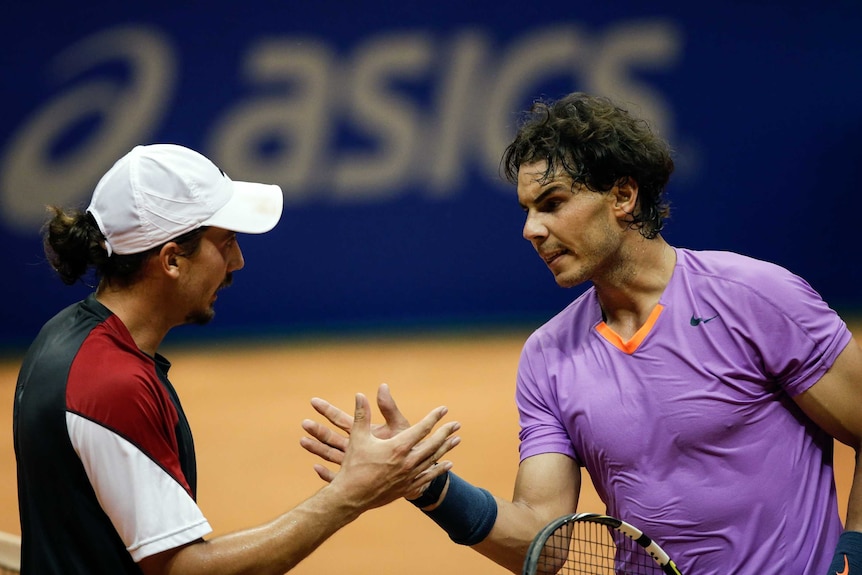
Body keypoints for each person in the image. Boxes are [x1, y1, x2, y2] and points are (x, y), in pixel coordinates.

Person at [299, 92, 862, 574]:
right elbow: (543, 543)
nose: (530, 230)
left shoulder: (755, 298)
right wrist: (428, 486)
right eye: (526, 210)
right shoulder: (549, 358)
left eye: (553, 204)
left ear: (622, 197)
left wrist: (855, 555)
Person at [13, 143, 461, 575]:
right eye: (225, 242)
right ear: (171, 260)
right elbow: (182, 569)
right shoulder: (110, 385)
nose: (239, 261)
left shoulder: (66, 339)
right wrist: (350, 494)